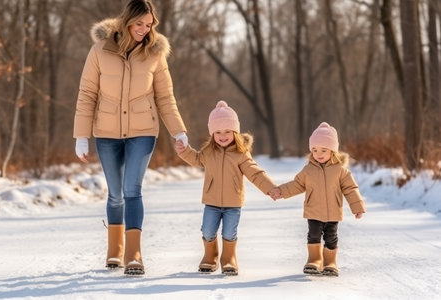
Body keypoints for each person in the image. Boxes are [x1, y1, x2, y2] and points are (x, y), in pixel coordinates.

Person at [73, 0, 188, 276]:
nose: (144, 30)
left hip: (142, 132)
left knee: (131, 190)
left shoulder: (154, 53)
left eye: (149, 25)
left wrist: (179, 130)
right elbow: (87, 94)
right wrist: (81, 135)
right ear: (127, 21)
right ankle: (115, 251)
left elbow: (165, 97)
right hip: (107, 133)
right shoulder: (100, 50)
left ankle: (133, 254)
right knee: (115, 195)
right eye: (139, 24)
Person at [174, 100, 277, 276]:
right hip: (211, 202)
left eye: (227, 131)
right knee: (207, 230)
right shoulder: (209, 152)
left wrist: (270, 188)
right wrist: (184, 150)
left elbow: (255, 173)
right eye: (218, 132)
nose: (223, 135)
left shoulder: (241, 153)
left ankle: (229, 259)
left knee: (229, 232)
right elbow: (197, 159)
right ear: (212, 133)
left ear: (235, 132)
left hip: (233, 203)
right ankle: (210, 256)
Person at [270, 122, 366, 277]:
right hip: (313, 211)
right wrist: (281, 191)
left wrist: (357, 207)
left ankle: (330, 263)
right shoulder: (308, 170)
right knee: (313, 235)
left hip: (333, 212)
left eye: (323, 150)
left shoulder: (340, 171)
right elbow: (297, 184)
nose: (318, 153)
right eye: (314, 150)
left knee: (331, 237)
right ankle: (314, 260)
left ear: (333, 151)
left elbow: (350, 188)